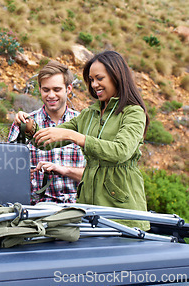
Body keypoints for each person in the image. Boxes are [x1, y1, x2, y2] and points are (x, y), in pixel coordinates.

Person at [18, 51, 150, 230]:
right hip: (88, 206)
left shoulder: (133, 112)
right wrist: (29, 127)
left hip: (121, 208)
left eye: (99, 78)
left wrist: (75, 136)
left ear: (116, 76)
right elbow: (47, 140)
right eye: (91, 80)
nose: (94, 85)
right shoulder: (89, 114)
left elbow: (121, 151)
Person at [9, 61, 85, 204]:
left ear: (68, 89)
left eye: (57, 89)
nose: (51, 95)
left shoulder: (85, 123)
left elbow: (96, 177)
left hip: (78, 207)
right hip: (35, 208)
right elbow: (9, 172)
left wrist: (64, 170)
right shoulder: (24, 123)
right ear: (40, 89)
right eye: (46, 90)